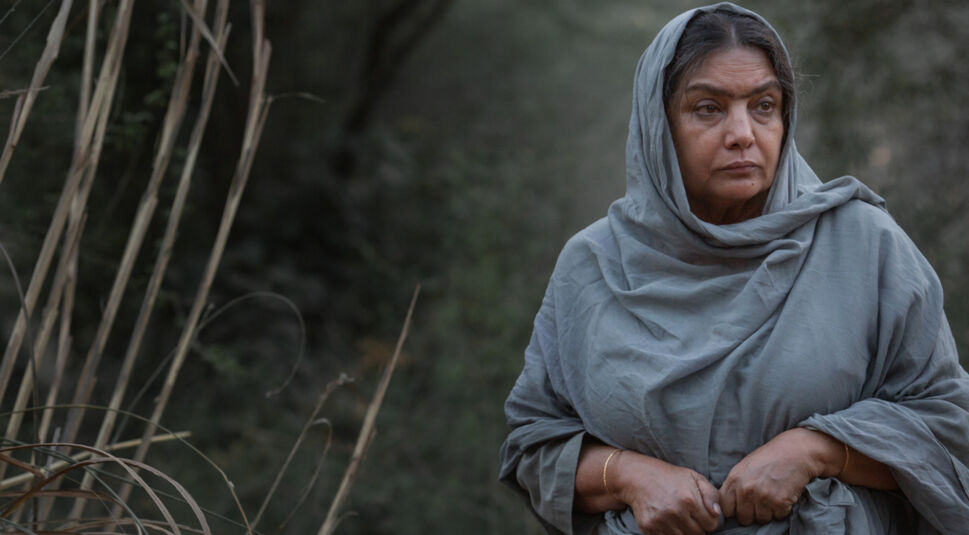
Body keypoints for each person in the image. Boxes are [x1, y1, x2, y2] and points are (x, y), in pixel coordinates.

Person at [498, 3, 969, 534]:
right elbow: (533, 446)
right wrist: (629, 475)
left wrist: (817, 451)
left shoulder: (864, 246)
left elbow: (949, 430)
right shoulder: (593, 265)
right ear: (660, 125)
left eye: (763, 105)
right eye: (708, 109)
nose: (743, 133)